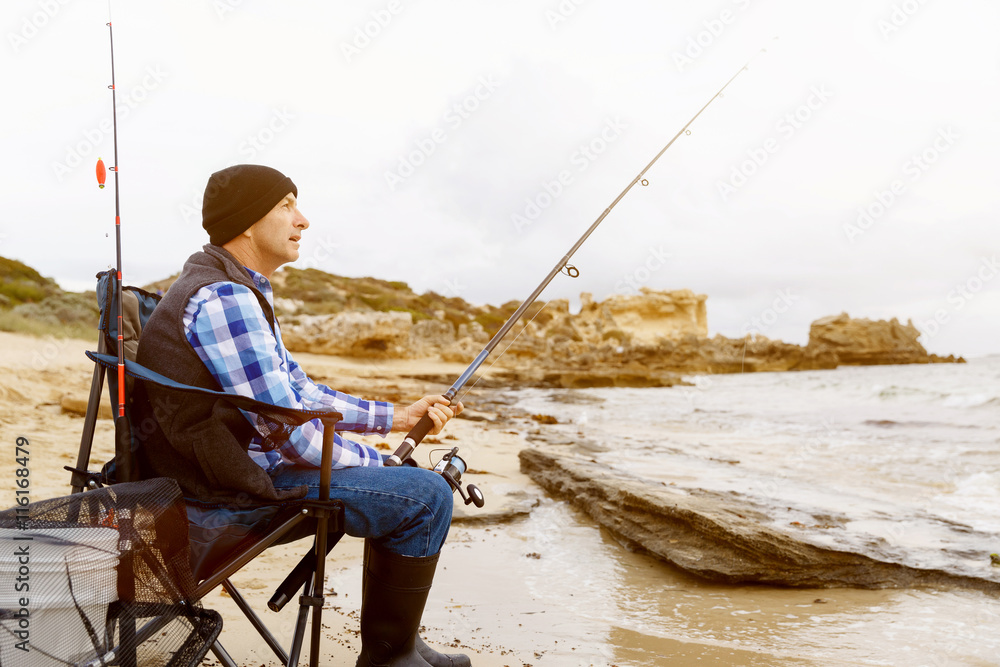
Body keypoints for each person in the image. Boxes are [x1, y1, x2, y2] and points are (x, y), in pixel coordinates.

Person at [136, 164, 470, 667]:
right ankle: (390, 657)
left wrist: (398, 418)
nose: (303, 220)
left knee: (412, 485)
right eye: (287, 205)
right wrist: (380, 463)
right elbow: (291, 435)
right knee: (426, 496)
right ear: (248, 222)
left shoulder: (235, 288)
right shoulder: (225, 298)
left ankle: (399, 646)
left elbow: (298, 393)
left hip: (222, 469)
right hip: (223, 489)